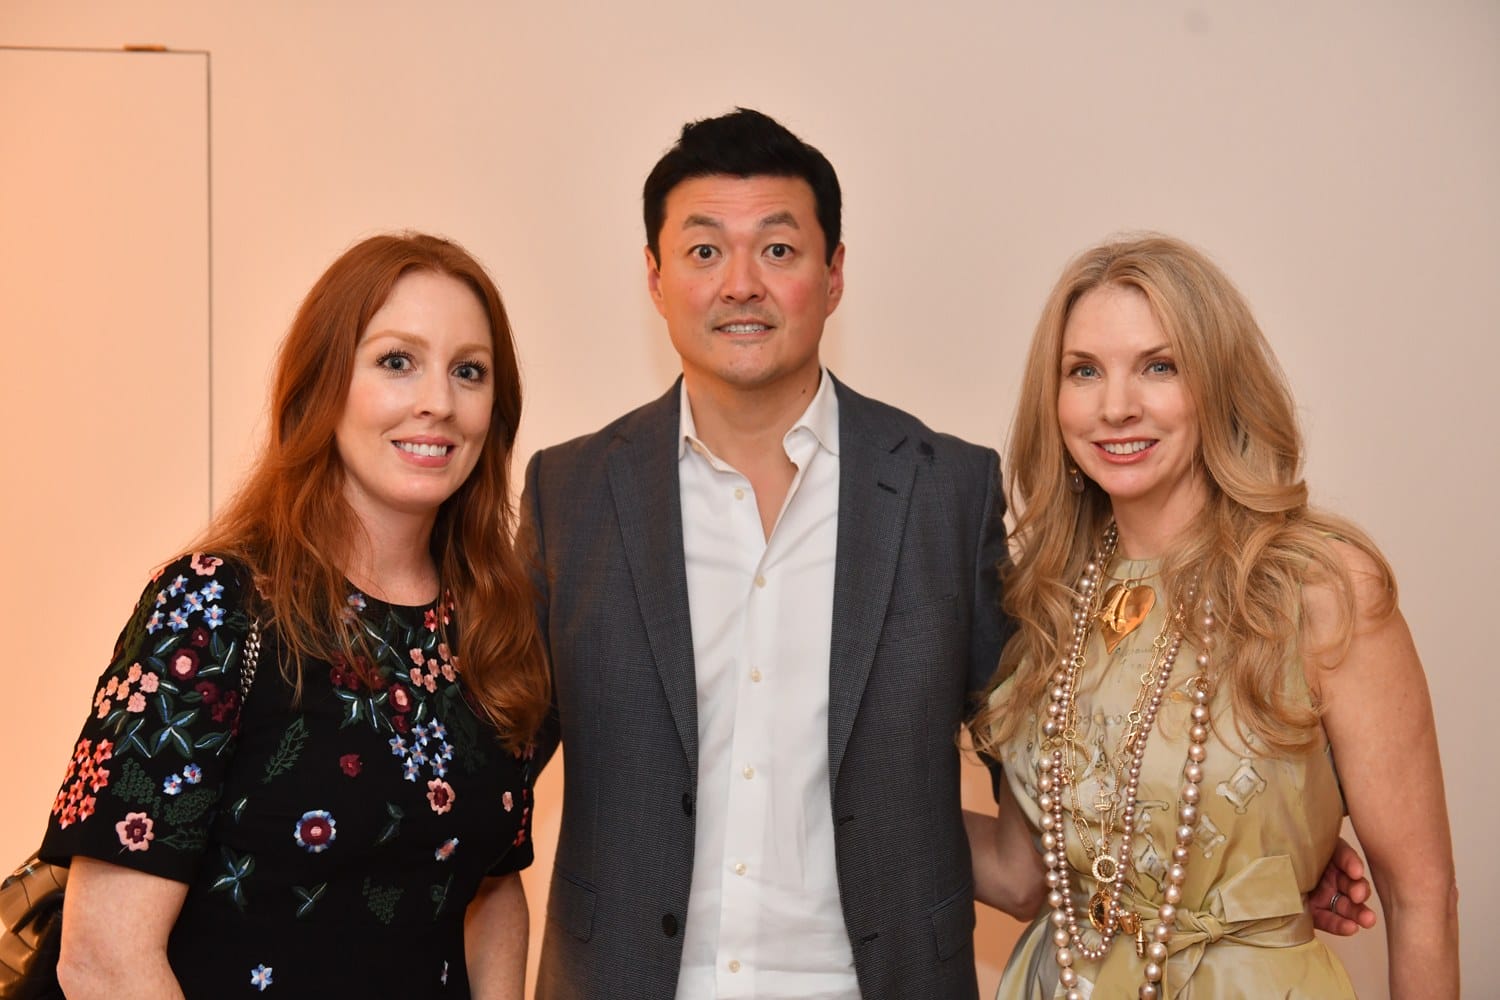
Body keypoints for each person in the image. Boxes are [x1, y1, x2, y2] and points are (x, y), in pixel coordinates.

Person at [521, 108, 1016, 999]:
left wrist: (1273, 834)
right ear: (655, 276)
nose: (740, 283)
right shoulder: (573, 493)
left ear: (832, 277)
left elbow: (1055, 759)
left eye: (778, 251)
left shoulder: (950, 490)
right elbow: (481, 763)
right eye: (705, 251)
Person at [41, 232, 549, 998]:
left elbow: (492, 889)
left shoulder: (491, 625)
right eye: (396, 361)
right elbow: (103, 961)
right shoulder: (213, 606)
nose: (438, 402)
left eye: (468, 371)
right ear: (322, 386)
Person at [969, 234, 1458, 998]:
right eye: (1084, 371)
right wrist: (843, 798)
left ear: (1217, 384)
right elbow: (1017, 875)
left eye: (1159, 366)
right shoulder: (1047, 597)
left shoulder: (1318, 589)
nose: (1116, 405)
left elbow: (1419, 898)